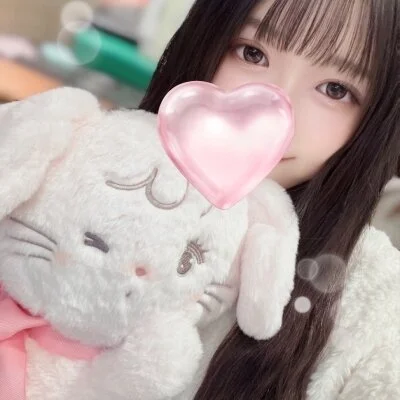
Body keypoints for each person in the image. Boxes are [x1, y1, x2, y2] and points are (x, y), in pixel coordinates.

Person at [138, 0, 400, 399]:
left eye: (335, 90)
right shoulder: (80, 173)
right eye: (252, 53)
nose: (274, 107)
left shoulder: (378, 312)